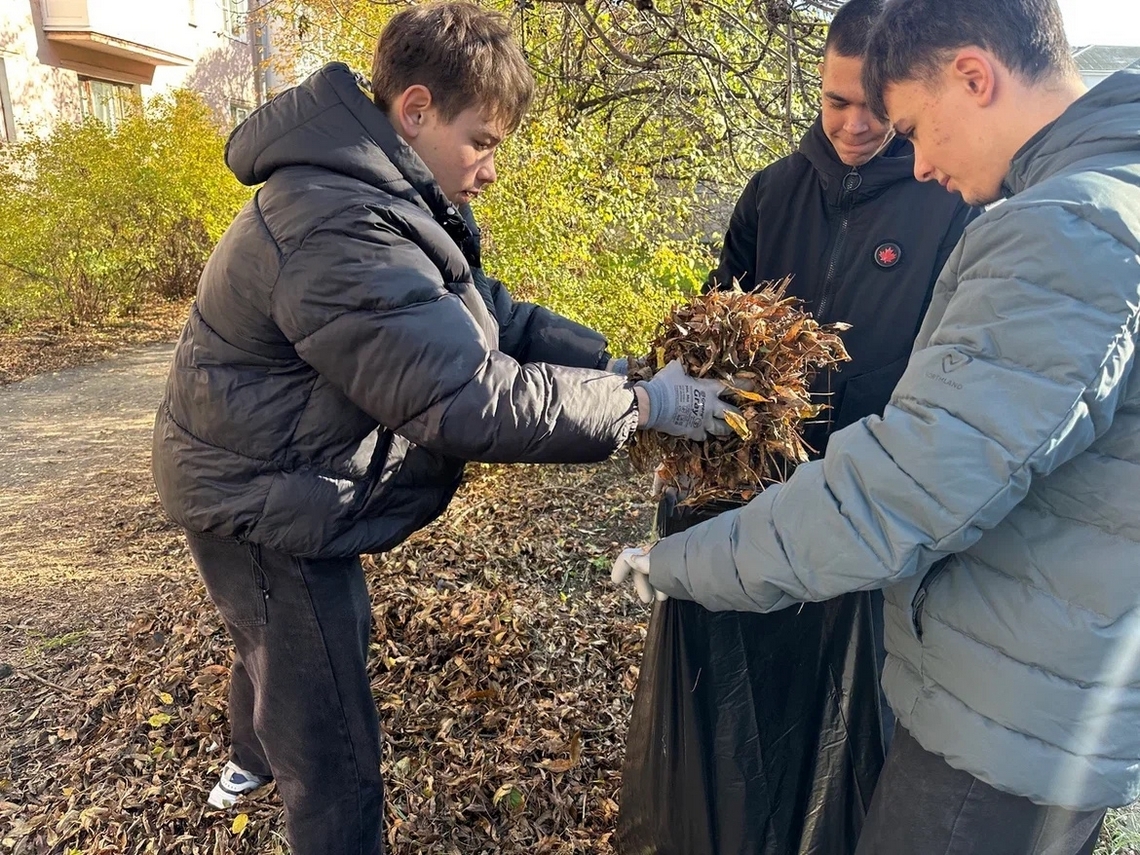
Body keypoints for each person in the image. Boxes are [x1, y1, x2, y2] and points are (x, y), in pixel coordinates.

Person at [151, 4, 735, 852]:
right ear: (416, 109)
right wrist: (644, 408)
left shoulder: (382, 194)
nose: (490, 170)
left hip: (262, 467)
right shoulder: (338, 225)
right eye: (482, 142)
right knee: (332, 740)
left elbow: (488, 315)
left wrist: (616, 368)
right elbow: (469, 398)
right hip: (259, 498)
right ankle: (286, 776)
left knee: (272, 640)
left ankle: (250, 759)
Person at [613, 0, 1140, 851]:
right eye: (843, 104)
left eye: (912, 126)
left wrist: (678, 564)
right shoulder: (1105, 200)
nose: (918, 160)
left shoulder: (1064, 231)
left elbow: (905, 489)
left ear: (973, 76)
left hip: (1008, 722)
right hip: (1032, 688)